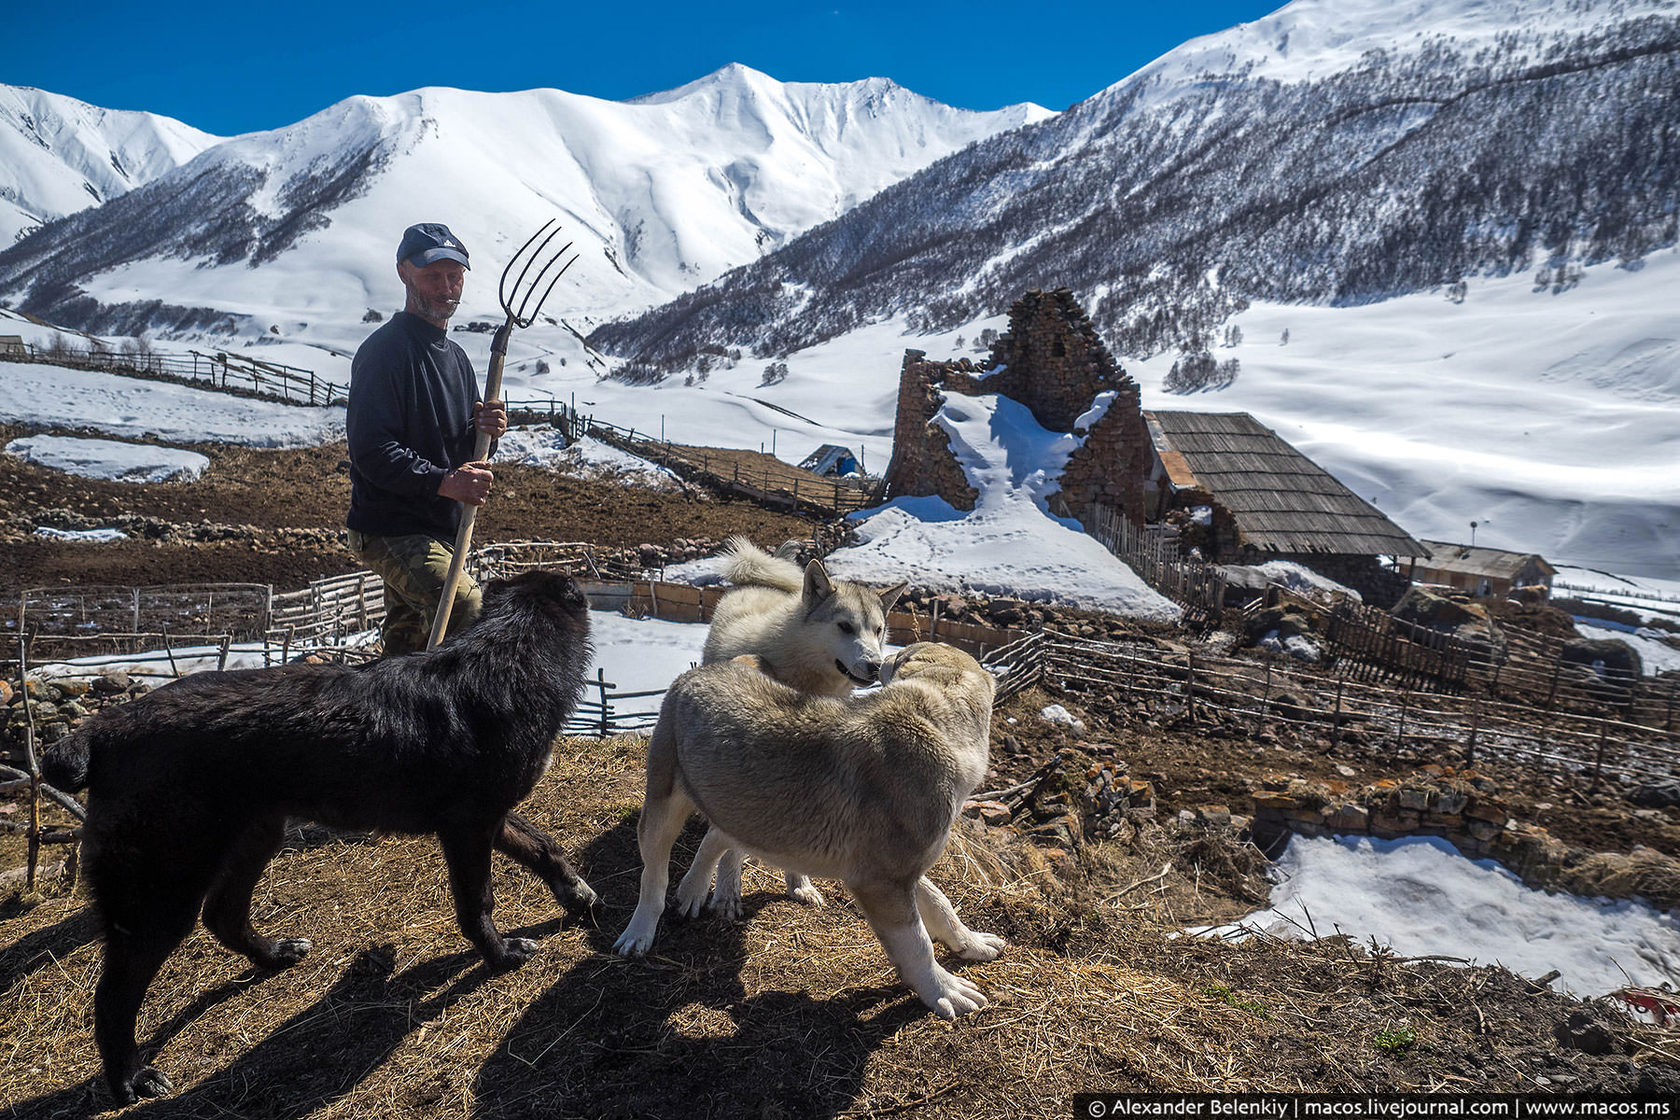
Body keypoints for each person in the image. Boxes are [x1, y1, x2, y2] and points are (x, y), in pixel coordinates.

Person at [345, 222, 508, 655]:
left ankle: (389, 720)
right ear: (404, 273)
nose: (446, 287)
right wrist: (444, 482)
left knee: (409, 647)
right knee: (465, 607)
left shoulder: (456, 359)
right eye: (433, 275)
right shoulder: (385, 353)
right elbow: (371, 451)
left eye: (455, 276)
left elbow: (463, 452)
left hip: (436, 526)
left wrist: (487, 434)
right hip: (392, 526)